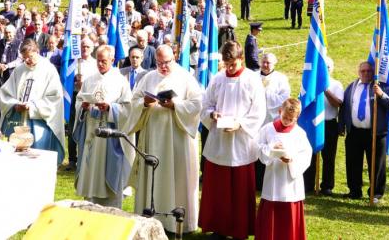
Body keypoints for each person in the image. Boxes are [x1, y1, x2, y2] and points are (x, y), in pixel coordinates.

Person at [123, 45, 203, 234]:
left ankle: (177, 223)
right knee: (153, 175)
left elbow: (197, 104)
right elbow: (133, 102)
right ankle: (151, 218)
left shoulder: (186, 78)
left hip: (177, 138)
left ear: (173, 57)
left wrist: (175, 105)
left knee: (176, 176)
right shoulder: (149, 77)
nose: (163, 66)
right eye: (159, 63)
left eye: (166, 62)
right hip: (153, 138)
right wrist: (144, 103)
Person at [198, 41, 267, 240]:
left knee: (240, 190)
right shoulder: (218, 78)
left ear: (241, 59)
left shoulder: (252, 80)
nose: (229, 68)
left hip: (241, 143)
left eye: (232, 64)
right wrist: (212, 115)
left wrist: (240, 124)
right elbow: (206, 103)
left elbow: (259, 111)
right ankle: (218, 228)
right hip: (219, 141)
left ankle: (239, 229)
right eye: (226, 64)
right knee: (218, 189)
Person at [73, 45, 134, 208]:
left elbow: (128, 109)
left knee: (107, 171)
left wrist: (109, 108)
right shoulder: (89, 80)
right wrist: (83, 107)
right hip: (91, 133)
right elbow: (79, 101)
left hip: (109, 134)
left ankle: (111, 207)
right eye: (98, 61)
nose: (100, 64)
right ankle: (89, 204)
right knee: (90, 169)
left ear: (112, 60)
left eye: (104, 61)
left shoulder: (121, 81)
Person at [0, 39, 66, 165]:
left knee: (37, 159)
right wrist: (14, 104)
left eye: (30, 57)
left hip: (39, 123)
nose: (27, 61)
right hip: (18, 121)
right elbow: (6, 93)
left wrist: (33, 107)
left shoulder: (49, 70)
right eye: (24, 58)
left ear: (37, 51)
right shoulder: (19, 70)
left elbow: (55, 98)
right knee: (16, 161)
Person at [255, 98, 312, 240]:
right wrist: (271, 150)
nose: (287, 121)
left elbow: (306, 154)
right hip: (273, 177)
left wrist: (291, 159)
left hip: (290, 182)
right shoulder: (268, 129)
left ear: (297, 117)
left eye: (291, 119)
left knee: (289, 214)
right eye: (285, 117)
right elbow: (258, 147)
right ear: (280, 111)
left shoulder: (300, 133)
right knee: (271, 213)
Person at [339, 61, 389, 202]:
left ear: (373, 72)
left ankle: (376, 193)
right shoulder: (351, 87)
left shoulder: (381, 87)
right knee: (352, 163)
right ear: (358, 72)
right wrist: (342, 126)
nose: (366, 73)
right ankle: (354, 191)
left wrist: (381, 95)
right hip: (354, 132)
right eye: (363, 71)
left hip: (375, 133)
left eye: (369, 71)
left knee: (376, 164)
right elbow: (344, 107)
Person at [303, 57, 343, 195]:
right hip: (313, 122)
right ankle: (308, 184)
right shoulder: (311, 84)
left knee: (329, 156)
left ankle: (327, 186)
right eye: (322, 67)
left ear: (331, 69)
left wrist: (325, 89)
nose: (325, 70)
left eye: (327, 67)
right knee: (311, 154)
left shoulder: (336, 84)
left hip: (329, 123)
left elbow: (337, 104)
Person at [256, 53, 291, 191]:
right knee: (257, 147)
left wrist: (265, 93)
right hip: (256, 119)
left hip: (273, 119)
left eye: (268, 63)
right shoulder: (253, 76)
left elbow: (284, 97)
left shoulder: (281, 79)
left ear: (274, 64)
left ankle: (270, 182)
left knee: (271, 148)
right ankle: (257, 182)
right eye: (263, 62)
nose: (265, 65)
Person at [63, 38, 99, 172]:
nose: (85, 49)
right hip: (74, 97)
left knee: (88, 127)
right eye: (83, 46)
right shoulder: (74, 63)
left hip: (89, 99)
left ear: (92, 48)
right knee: (72, 127)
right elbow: (66, 80)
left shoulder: (95, 64)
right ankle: (72, 159)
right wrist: (74, 82)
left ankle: (86, 157)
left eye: (88, 47)